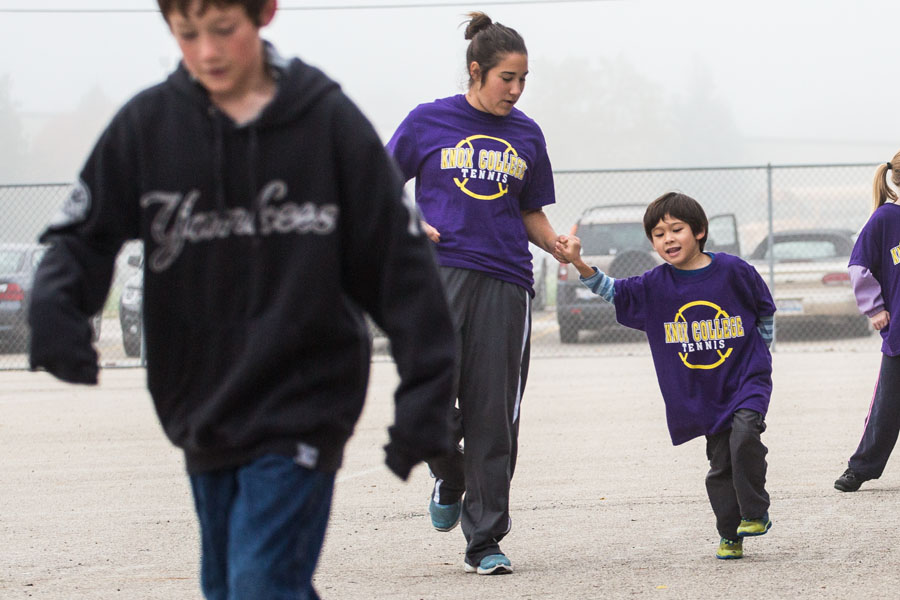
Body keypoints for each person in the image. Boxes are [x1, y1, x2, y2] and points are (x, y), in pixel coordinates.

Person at [27, 1, 457, 598]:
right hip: (203, 404)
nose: (206, 51)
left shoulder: (326, 123)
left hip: (305, 401)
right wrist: (55, 308)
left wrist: (426, 395)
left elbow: (401, 266)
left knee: (258, 587)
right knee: (233, 585)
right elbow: (82, 234)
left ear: (263, 14)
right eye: (187, 34)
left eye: (223, 30)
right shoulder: (150, 126)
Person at [385, 11, 567, 575]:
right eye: (505, 78)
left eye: (523, 80)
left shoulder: (526, 134)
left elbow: (530, 211)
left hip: (508, 280)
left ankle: (485, 540)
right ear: (476, 70)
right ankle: (451, 474)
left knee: (493, 416)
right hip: (438, 277)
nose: (515, 90)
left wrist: (555, 244)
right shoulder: (427, 122)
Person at [557, 192, 776, 560]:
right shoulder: (655, 285)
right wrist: (578, 261)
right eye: (659, 234)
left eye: (677, 229)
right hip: (704, 391)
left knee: (744, 435)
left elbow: (764, 310)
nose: (668, 239)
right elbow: (610, 289)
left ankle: (756, 511)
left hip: (745, 379)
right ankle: (729, 533)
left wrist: (762, 354)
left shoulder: (735, 271)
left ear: (700, 231)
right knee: (721, 463)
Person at [834, 153, 900, 493]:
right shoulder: (886, 220)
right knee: (887, 407)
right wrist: (874, 308)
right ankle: (860, 468)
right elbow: (859, 266)